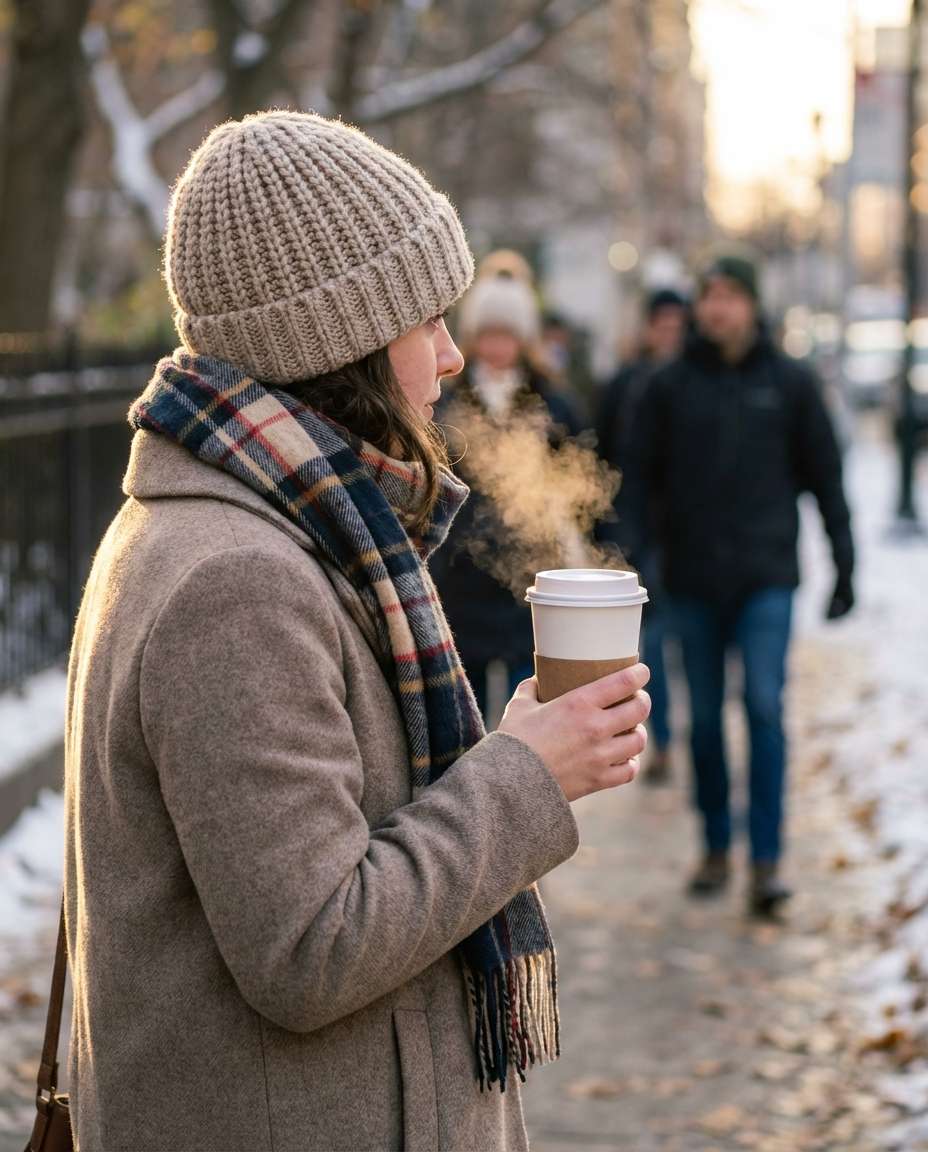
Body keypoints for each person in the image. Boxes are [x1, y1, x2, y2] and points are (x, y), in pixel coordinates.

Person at [63, 111, 651, 1152]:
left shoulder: (264, 526)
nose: (452, 354)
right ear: (341, 344)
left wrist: (524, 746)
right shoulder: (236, 581)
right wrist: (523, 776)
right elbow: (309, 949)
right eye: (426, 321)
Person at [626, 252, 854, 916]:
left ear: (753, 304)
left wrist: (845, 565)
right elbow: (637, 480)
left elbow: (826, 477)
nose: (718, 307)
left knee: (761, 706)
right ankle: (716, 844)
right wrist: (636, 554)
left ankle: (766, 861)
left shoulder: (790, 383)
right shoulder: (668, 387)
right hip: (692, 580)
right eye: (710, 295)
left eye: (730, 295)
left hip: (766, 579)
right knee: (701, 722)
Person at [431, 270, 582, 723]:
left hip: (527, 583)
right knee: (468, 721)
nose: (497, 347)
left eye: (507, 335)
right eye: (488, 335)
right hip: (461, 581)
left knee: (530, 718)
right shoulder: (444, 403)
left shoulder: (552, 404)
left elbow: (578, 486)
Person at [597, 287, 688, 785]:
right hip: (639, 538)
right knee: (652, 645)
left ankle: (683, 739)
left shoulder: (697, 383)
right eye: (663, 325)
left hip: (689, 541)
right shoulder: (626, 385)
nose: (669, 335)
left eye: (678, 326)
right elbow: (605, 461)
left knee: (681, 643)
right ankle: (666, 740)